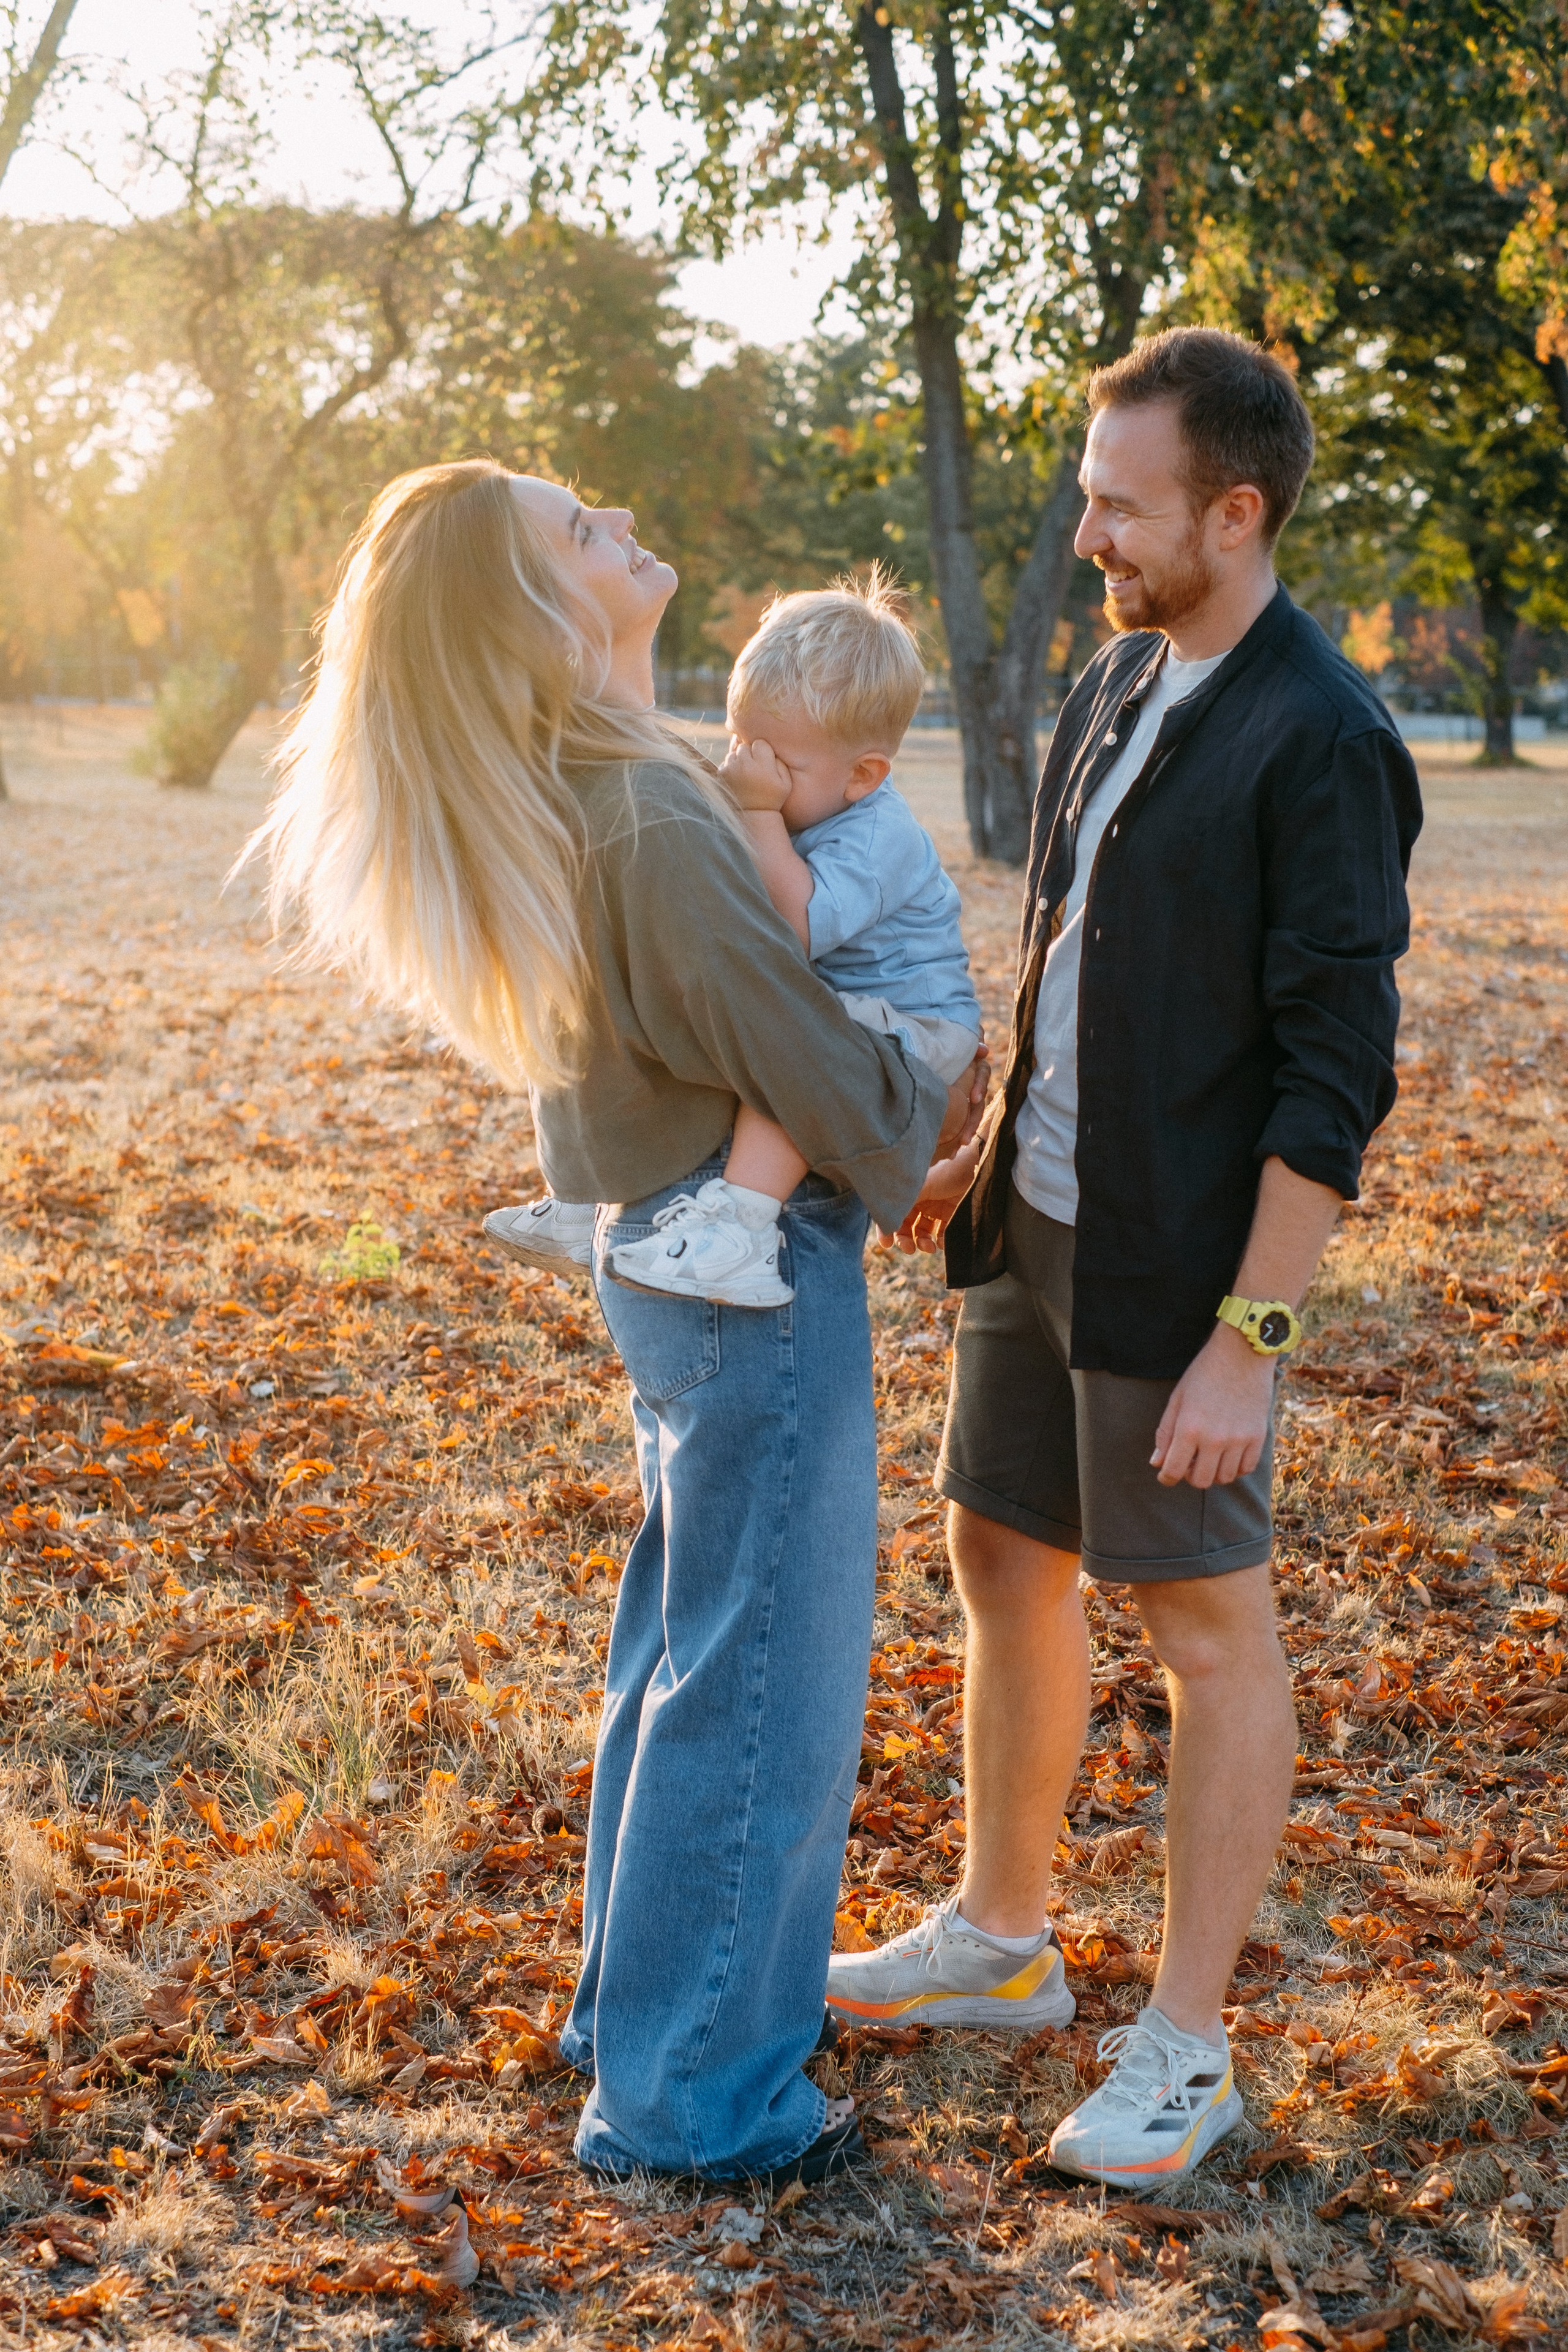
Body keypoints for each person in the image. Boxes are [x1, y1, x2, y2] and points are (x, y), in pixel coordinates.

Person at [239, 458, 983, 2184]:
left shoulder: (613, 781)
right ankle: (696, 2098)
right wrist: (924, 1112)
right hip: (741, 1274)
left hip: (667, 1261)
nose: (614, 518)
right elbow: (796, 1042)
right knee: (763, 1681)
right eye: (574, 530)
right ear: (539, 612)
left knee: (683, 1647)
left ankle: (639, 2019)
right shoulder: (645, 812)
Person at [826, 328, 1423, 2189]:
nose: (1085, 527)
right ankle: (1003, 1937)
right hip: (1037, 1212)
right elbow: (1073, 955)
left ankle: (1185, 2046)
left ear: (1232, 515)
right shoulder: (1115, 673)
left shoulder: (1320, 736)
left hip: (1185, 1267)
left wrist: (1250, 1333)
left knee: (1201, 1620)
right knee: (999, 1546)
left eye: (1117, 501)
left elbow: (1336, 1075)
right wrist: (977, 1147)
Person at [481, 574, 983, 1308]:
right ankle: (589, 1196)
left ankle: (742, 1228)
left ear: (863, 775)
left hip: (923, 1027)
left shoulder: (881, 834)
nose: (747, 768)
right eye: (740, 741)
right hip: (850, 1008)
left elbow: (791, 926)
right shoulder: (800, 801)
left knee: (791, 1041)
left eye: (777, 761)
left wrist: (754, 809)